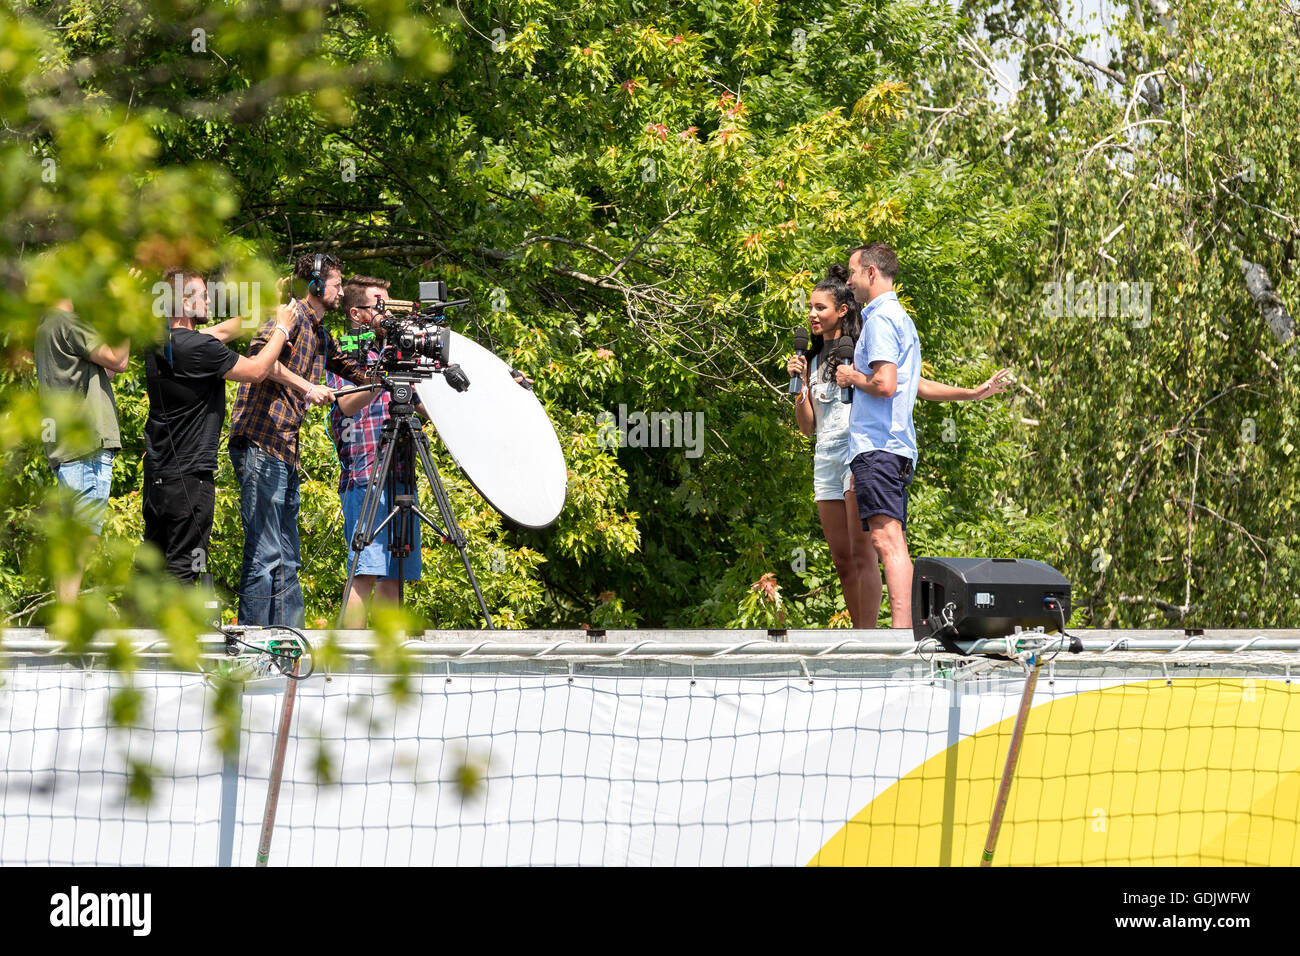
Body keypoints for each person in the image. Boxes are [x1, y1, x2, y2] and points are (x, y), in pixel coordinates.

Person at [833, 243, 1010, 628]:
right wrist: (972, 393)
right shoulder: (901, 319)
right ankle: (907, 630)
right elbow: (913, 384)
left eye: (852, 273)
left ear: (872, 274)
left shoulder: (880, 320)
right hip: (893, 447)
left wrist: (850, 377)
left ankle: (903, 634)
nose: (847, 281)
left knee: (887, 541)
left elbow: (885, 383)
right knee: (890, 540)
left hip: (878, 446)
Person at [227, 253, 374, 626]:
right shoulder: (285, 317)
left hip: (285, 451)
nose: (342, 293)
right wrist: (308, 386)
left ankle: (289, 642)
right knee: (264, 553)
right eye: (338, 285)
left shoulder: (321, 334)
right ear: (315, 284)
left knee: (287, 556)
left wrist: (388, 362)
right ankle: (255, 642)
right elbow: (261, 361)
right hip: (260, 443)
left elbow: (356, 372)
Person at [142, 269, 301, 582]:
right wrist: (282, 328)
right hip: (191, 477)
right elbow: (256, 370)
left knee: (151, 565)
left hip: (158, 476)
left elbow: (222, 332)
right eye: (202, 295)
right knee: (186, 569)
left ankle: (139, 629)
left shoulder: (163, 344)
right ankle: (181, 631)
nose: (208, 300)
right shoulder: (200, 349)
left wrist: (269, 307)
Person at [325, 275, 422, 627]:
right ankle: (349, 664)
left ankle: (386, 658)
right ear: (356, 313)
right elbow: (347, 404)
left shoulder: (400, 356)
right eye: (381, 307)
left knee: (394, 574)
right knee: (365, 572)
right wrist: (382, 371)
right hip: (365, 476)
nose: (389, 316)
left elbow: (428, 409)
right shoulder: (344, 350)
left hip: (401, 476)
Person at [34, 300, 129, 604]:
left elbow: (107, 371)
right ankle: (70, 616)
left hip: (66, 449)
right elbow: (119, 360)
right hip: (87, 448)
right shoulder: (68, 322)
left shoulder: (45, 327)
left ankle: (66, 611)